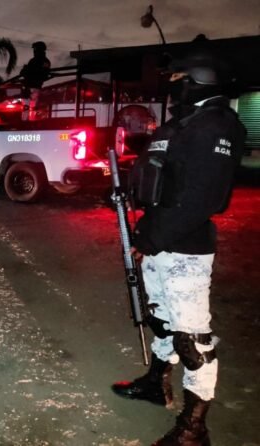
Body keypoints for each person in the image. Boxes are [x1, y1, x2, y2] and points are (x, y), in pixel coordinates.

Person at [112, 52, 246, 446]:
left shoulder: (216, 125)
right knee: (162, 319)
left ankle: (193, 429)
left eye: (177, 78)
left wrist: (151, 238)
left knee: (192, 338)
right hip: (157, 238)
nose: (171, 86)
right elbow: (160, 173)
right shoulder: (184, 122)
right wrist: (130, 195)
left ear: (197, 80)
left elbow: (202, 199)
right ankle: (157, 383)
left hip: (185, 248)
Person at [19, 41, 51, 121]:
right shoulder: (45, 61)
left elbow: (27, 73)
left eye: (35, 49)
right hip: (35, 86)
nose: (34, 51)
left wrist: (26, 70)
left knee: (28, 106)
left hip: (31, 86)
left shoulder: (36, 61)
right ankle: (30, 121)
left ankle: (26, 122)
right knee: (31, 106)